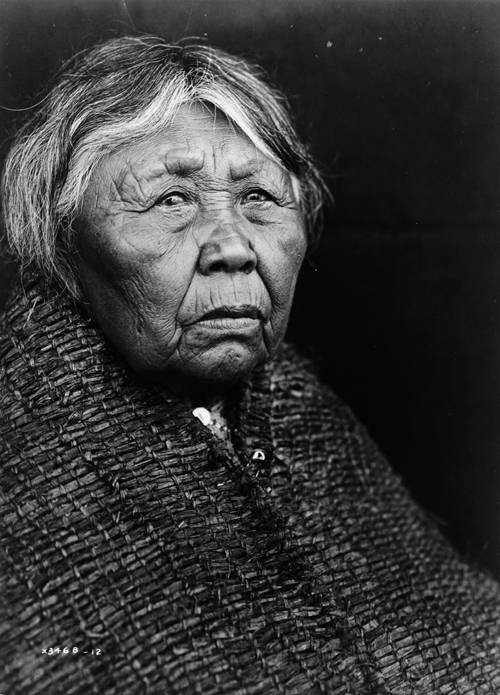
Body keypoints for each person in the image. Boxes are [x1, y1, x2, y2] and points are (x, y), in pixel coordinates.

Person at [0, 35, 498, 695]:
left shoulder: (298, 409)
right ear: (63, 249)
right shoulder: (21, 465)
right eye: (171, 200)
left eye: (259, 197)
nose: (233, 247)